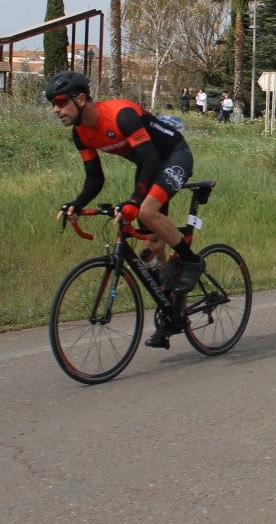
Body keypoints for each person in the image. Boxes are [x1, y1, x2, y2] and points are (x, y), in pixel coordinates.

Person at [45, 70, 203, 349]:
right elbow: (95, 178)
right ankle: (172, 313)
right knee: (153, 247)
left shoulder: (120, 115)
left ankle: (191, 260)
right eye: (53, 105)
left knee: (145, 212)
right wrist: (76, 204)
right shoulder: (80, 134)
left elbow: (151, 158)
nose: (56, 110)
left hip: (173, 156)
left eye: (60, 102)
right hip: (149, 166)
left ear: (81, 99)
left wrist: (133, 200)